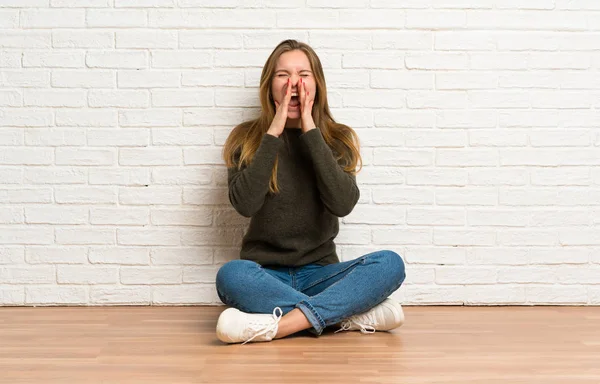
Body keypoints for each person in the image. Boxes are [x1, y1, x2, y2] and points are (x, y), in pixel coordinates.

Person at [216, 39, 406, 345]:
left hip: (321, 276)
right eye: (283, 75)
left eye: (303, 74)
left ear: (317, 85)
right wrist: (273, 132)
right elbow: (245, 204)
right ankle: (345, 315)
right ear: (269, 85)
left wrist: (310, 130)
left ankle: (276, 326)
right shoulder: (247, 138)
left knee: (390, 264)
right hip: (266, 275)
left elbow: (343, 204)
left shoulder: (337, 137)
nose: (294, 83)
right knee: (231, 277)